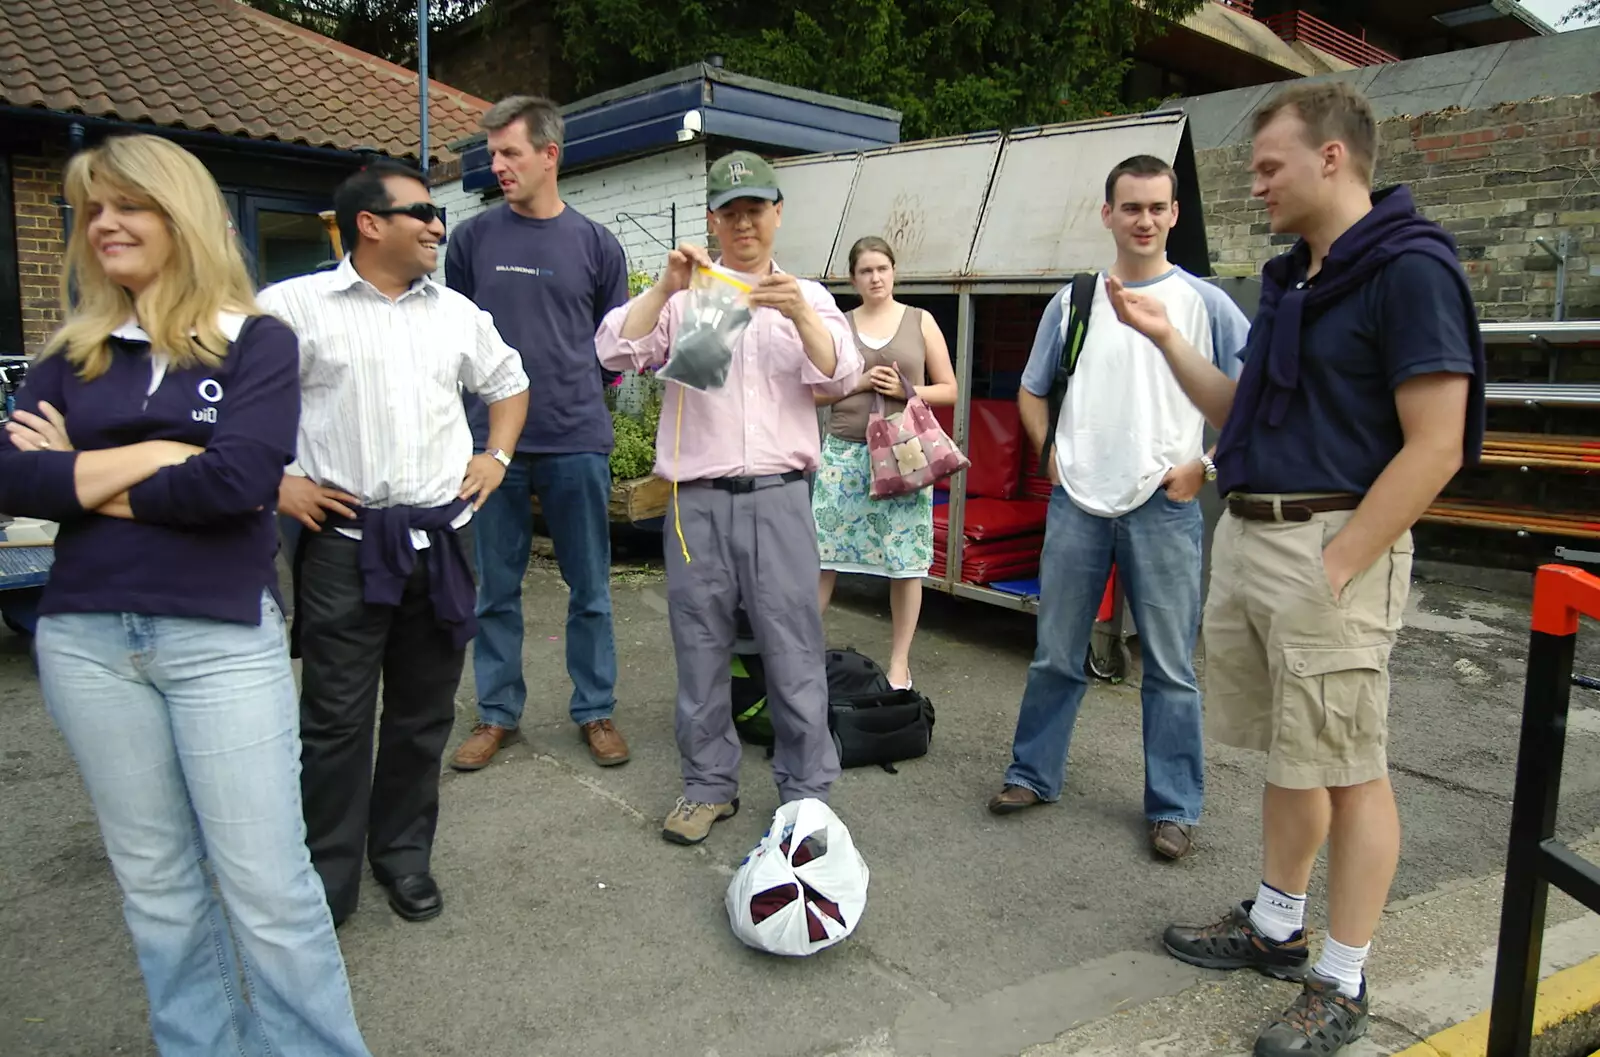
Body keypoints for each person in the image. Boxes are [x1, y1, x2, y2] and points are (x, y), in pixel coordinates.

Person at [1109, 84, 1483, 1055]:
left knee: (1352, 767)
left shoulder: (1410, 270)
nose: (1255, 183)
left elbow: (1435, 444)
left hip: (1330, 551)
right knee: (1295, 750)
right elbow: (1246, 410)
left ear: (1331, 158)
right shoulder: (1292, 278)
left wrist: (1341, 564)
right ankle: (1276, 926)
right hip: (1256, 533)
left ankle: (1343, 978)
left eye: (1268, 165)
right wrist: (1167, 343)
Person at [0, 134, 370, 1055]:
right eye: (94, 209)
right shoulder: (72, 352)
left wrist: (80, 474)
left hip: (218, 640)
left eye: (130, 204)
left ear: (183, 216)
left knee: (270, 887)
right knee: (157, 886)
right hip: (86, 641)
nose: (106, 224)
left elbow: (238, 484)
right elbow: (12, 482)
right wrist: (166, 455)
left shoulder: (258, 342)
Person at [260, 160, 530, 926]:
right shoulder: (291, 308)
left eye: (438, 211)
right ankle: (327, 877)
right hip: (345, 544)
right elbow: (224, 399)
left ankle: (404, 856)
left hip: (442, 543)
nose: (438, 224)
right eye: (421, 211)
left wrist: (497, 456)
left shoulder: (456, 313)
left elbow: (509, 384)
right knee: (336, 720)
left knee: (423, 713)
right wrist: (277, 476)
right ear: (369, 223)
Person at [986, 155, 1251, 862]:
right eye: (1130, 207)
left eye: (1157, 207)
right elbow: (1032, 389)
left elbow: (1259, 402)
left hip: (1164, 504)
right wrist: (1053, 457)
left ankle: (1174, 807)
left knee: (1169, 667)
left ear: (1173, 214)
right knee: (1053, 653)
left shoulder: (1206, 304)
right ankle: (1031, 774)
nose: (1144, 219)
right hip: (1078, 503)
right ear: (1107, 214)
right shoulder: (1074, 300)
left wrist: (1210, 466)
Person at [596, 150, 863, 845]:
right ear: (713, 218)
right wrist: (664, 289)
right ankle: (708, 784)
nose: (743, 222)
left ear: (777, 214)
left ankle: (807, 794)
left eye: (756, 209)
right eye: (730, 211)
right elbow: (612, 351)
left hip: (779, 497)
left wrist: (799, 313)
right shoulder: (689, 297)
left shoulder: (810, 296)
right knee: (700, 645)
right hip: (697, 501)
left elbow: (843, 376)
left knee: (794, 647)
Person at [444, 95, 632, 773]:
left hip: (576, 440)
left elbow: (615, 348)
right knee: (494, 586)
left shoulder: (595, 245)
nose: (498, 165)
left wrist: (580, 398)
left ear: (549, 155)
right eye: (493, 154)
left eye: (510, 153)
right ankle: (496, 713)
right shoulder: (471, 241)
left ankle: (596, 709)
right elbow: (459, 340)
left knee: (590, 587)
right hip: (493, 447)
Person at [812, 236, 957, 690]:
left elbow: (949, 388)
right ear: (852, 278)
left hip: (905, 454)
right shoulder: (837, 323)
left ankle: (899, 663)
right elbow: (814, 391)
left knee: (906, 560)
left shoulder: (921, 320)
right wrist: (856, 382)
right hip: (845, 451)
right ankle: (802, 654)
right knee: (821, 555)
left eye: (882, 269)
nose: (875, 277)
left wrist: (905, 391)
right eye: (865, 271)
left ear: (894, 271)